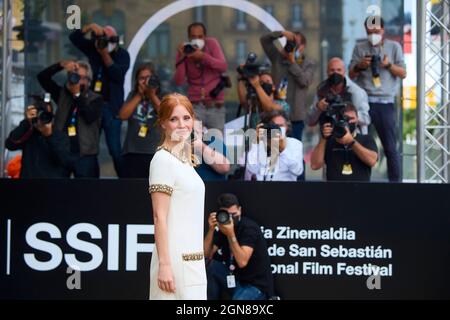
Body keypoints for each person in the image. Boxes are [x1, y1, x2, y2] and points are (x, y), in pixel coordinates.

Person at [148, 93, 207, 300]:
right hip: (173, 262)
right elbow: (159, 217)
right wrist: (164, 265)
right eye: (174, 119)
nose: (182, 125)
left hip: (193, 261)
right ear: (163, 123)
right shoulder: (162, 160)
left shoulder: (185, 161)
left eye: (186, 118)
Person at [349, 16, 406, 182]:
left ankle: (395, 185)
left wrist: (388, 65)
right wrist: (360, 65)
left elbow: (403, 73)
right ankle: (360, 181)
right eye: (370, 31)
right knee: (359, 143)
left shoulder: (394, 47)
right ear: (366, 31)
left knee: (390, 147)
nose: (373, 34)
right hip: (364, 103)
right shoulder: (360, 47)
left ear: (383, 30)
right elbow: (351, 74)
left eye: (376, 31)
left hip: (385, 103)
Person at [70, 23, 130, 177]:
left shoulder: (122, 55)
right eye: (103, 39)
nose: (106, 43)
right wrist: (89, 27)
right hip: (93, 105)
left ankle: (125, 183)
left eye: (110, 39)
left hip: (112, 108)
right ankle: (93, 183)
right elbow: (74, 38)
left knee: (115, 150)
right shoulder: (94, 48)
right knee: (90, 148)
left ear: (116, 40)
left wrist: (104, 54)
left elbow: (117, 74)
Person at [37, 60, 103, 178]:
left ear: (89, 81)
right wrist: (60, 65)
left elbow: (89, 117)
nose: (79, 80)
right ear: (70, 77)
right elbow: (42, 77)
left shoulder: (96, 99)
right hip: (61, 153)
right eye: (76, 76)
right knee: (59, 193)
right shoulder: (62, 94)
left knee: (88, 194)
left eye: (83, 78)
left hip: (85, 155)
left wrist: (77, 94)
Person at [204, 193, 274, 300]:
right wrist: (211, 229)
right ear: (220, 214)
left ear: (240, 210)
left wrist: (230, 234)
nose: (231, 219)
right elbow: (206, 255)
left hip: (255, 285)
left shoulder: (249, 228)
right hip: (234, 280)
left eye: (234, 214)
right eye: (227, 215)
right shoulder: (222, 227)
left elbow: (242, 261)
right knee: (211, 266)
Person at [260, 30, 316, 141]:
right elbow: (264, 40)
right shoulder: (277, 58)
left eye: (296, 44)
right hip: (276, 115)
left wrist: (292, 63)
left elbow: (305, 81)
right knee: (274, 148)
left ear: (303, 47)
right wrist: (281, 33)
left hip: (296, 117)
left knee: (294, 149)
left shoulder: (308, 63)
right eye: (290, 43)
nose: (293, 47)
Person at [174, 22, 228, 131]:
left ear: (205, 37)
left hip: (215, 107)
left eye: (200, 36)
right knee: (196, 145)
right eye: (193, 37)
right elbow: (179, 81)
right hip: (195, 107)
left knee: (216, 145)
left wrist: (203, 57)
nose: (197, 39)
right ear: (189, 38)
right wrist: (181, 56)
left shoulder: (211, 44)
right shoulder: (186, 50)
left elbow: (223, 66)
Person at [5, 97, 74, 178]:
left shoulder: (60, 136)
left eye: (46, 115)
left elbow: (64, 160)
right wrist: (27, 122)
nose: (42, 118)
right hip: (29, 184)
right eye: (40, 114)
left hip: (51, 185)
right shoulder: (28, 133)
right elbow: (10, 145)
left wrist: (49, 136)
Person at [310, 103, 378, 182]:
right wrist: (324, 138)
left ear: (357, 119)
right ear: (338, 120)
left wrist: (352, 142)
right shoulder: (330, 141)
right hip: (334, 191)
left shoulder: (366, 139)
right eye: (345, 119)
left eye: (351, 119)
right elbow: (315, 165)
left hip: (360, 191)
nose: (349, 122)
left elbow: (372, 161)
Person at [307, 57, 370, 134]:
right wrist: (318, 108)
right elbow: (310, 122)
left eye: (339, 70)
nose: (335, 73)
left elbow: (366, 119)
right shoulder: (321, 91)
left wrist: (351, 115)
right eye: (332, 70)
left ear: (344, 72)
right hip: (328, 135)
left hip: (352, 135)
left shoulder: (356, 92)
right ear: (327, 72)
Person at [119, 63, 161, 178]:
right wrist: (139, 95)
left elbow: (165, 115)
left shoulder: (161, 95)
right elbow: (122, 115)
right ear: (137, 81)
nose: (145, 81)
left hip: (154, 151)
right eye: (142, 78)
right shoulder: (133, 95)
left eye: (149, 78)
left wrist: (151, 95)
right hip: (133, 151)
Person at [245, 110, 303, 181]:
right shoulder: (261, 144)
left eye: (281, 126)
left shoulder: (295, 144)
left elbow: (297, 171)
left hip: (286, 189)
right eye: (274, 126)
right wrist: (256, 143)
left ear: (287, 127)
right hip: (262, 189)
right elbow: (252, 169)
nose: (277, 129)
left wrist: (282, 151)